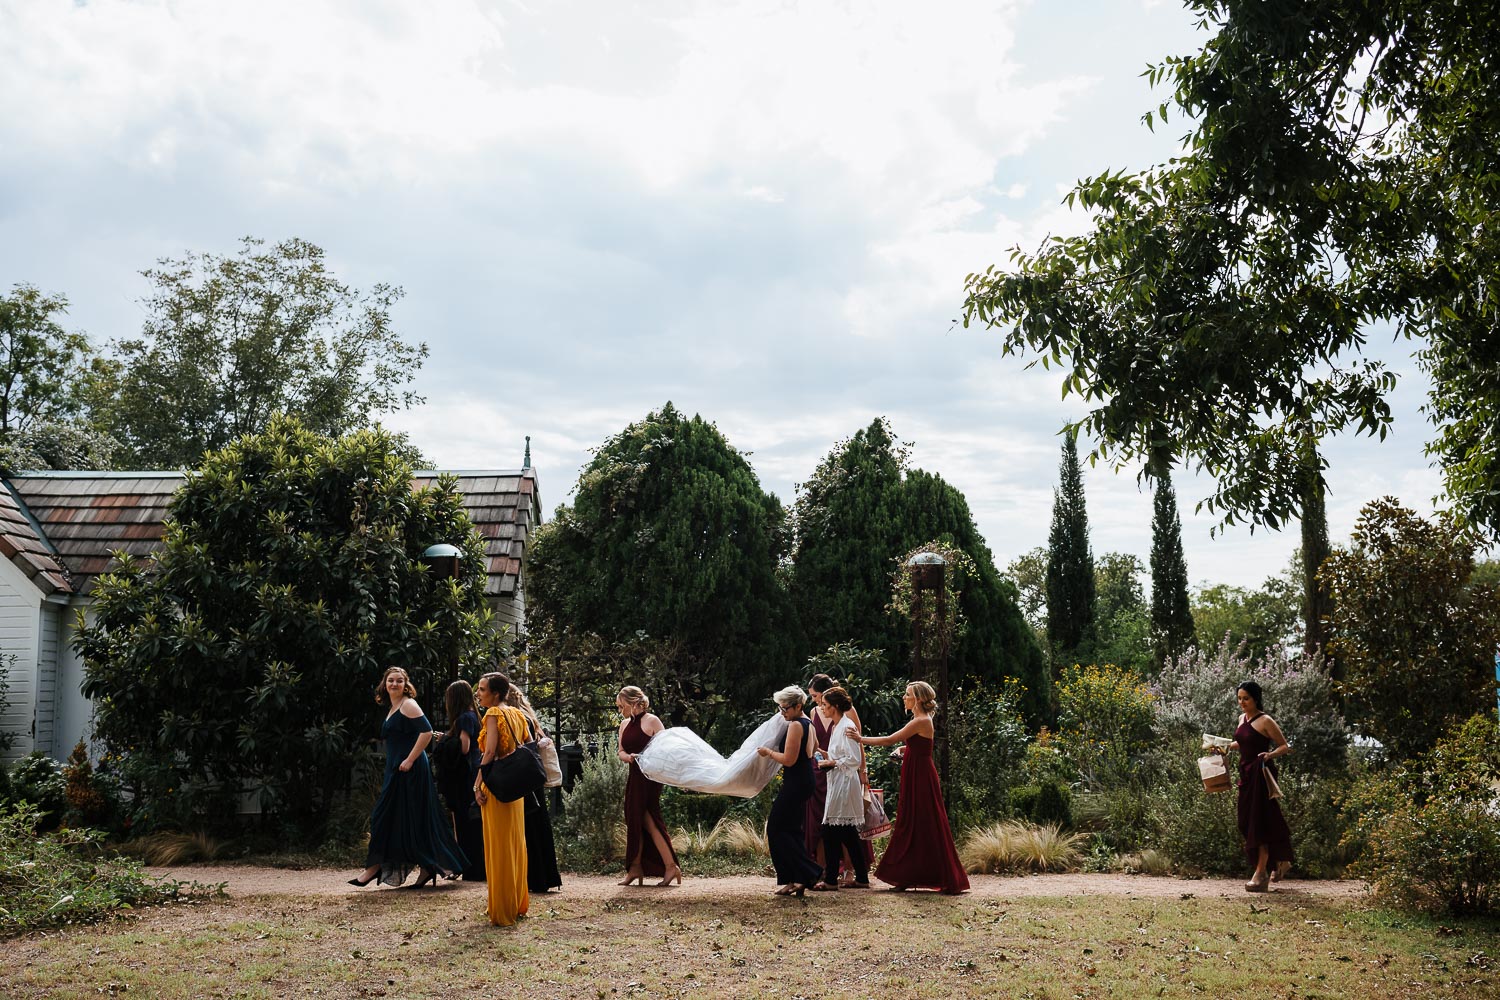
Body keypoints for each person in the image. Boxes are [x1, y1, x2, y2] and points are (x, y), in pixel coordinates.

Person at [350, 667, 468, 888]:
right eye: (390, 680)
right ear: (385, 684)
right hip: (396, 768)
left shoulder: (408, 704)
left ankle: (382, 868)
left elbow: (426, 732)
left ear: (406, 684)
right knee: (394, 818)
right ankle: (386, 867)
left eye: (399, 681)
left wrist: (411, 759)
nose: (394, 684)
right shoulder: (393, 706)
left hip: (409, 768)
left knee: (405, 817)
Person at [856, 681, 969, 894]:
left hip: (921, 776)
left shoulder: (921, 720)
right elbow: (914, 745)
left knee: (922, 821)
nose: (904, 698)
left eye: (907, 695)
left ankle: (919, 875)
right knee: (912, 821)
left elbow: (889, 739)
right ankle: (908, 875)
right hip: (916, 772)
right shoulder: (920, 721)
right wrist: (904, 749)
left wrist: (859, 739)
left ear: (917, 699)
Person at [1216, 681, 1295, 891]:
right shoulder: (1242, 718)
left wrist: (1270, 754)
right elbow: (1241, 743)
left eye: (1246, 698)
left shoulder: (1266, 720)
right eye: (1239, 698)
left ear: (1256, 698)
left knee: (1258, 823)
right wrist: (1223, 747)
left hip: (1261, 774)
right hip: (1246, 775)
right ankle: (1281, 860)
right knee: (1245, 821)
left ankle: (1260, 874)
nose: (1242, 702)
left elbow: (1285, 746)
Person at [804, 674, 874, 886]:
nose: (821, 708)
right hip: (838, 783)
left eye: (824, 705)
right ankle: (860, 877)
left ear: (834, 706)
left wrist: (832, 764)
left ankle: (832, 879)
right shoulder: (837, 726)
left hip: (844, 784)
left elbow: (853, 759)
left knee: (830, 831)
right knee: (847, 833)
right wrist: (826, 756)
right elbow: (841, 755)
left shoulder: (847, 727)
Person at [755, 686, 824, 896]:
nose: (782, 712)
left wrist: (769, 753)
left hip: (797, 781)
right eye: (780, 707)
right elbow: (814, 748)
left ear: (798, 706)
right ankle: (797, 879)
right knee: (792, 830)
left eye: (785, 708)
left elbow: (789, 759)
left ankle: (807, 872)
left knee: (776, 828)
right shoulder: (808, 723)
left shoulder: (795, 725)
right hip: (803, 779)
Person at [474, 671, 530, 925]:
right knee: (515, 845)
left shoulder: (494, 714)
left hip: (496, 786)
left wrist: (477, 784)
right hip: (515, 787)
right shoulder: (517, 713)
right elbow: (528, 743)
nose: (478, 693)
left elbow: (489, 753)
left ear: (495, 694)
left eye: (482, 689)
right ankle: (516, 902)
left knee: (498, 848)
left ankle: (502, 908)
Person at [615, 686, 682, 886]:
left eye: (621, 706)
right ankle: (637, 867)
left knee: (648, 819)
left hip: (650, 778)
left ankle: (669, 867)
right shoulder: (624, 724)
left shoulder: (652, 720)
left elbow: (666, 748)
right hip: (634, 775)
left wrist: (647, 758)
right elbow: (620, 751)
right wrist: (629, 758)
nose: (620, 711)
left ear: (632, 702)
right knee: (636, 819)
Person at [504, 683, 563, 894]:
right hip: (534, 775)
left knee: (529, 825)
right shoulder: (529, 715)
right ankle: (545, 875)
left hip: (524, 776)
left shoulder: (515, 717)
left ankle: (536, 877)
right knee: (539, 823)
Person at [431, 679, 485, 881]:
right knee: (472, 823)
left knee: (463, 823)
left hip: (463, 776)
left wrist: (444, 740)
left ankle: (466, 866)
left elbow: (463, 747)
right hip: (472, 772)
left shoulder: (463, 718)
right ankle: (475, 866)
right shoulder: (474, 716)